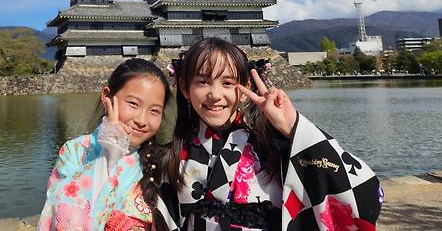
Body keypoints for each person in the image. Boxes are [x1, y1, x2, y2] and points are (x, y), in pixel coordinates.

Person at [155, 38, 383, 230]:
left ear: (245, 89)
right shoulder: (174, 152)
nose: (215, 94)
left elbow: (365, 194)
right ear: (185, 88)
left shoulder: (273, 143)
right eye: (203, 82)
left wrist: (291, 126)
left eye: (228, 83)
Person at [38, 58, 170, 230]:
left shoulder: (162, 161)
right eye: (133, 104)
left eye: (154, 111)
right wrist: (110, 152)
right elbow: (61, 217)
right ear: (106, 96)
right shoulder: (75, 151)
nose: (142, 120)